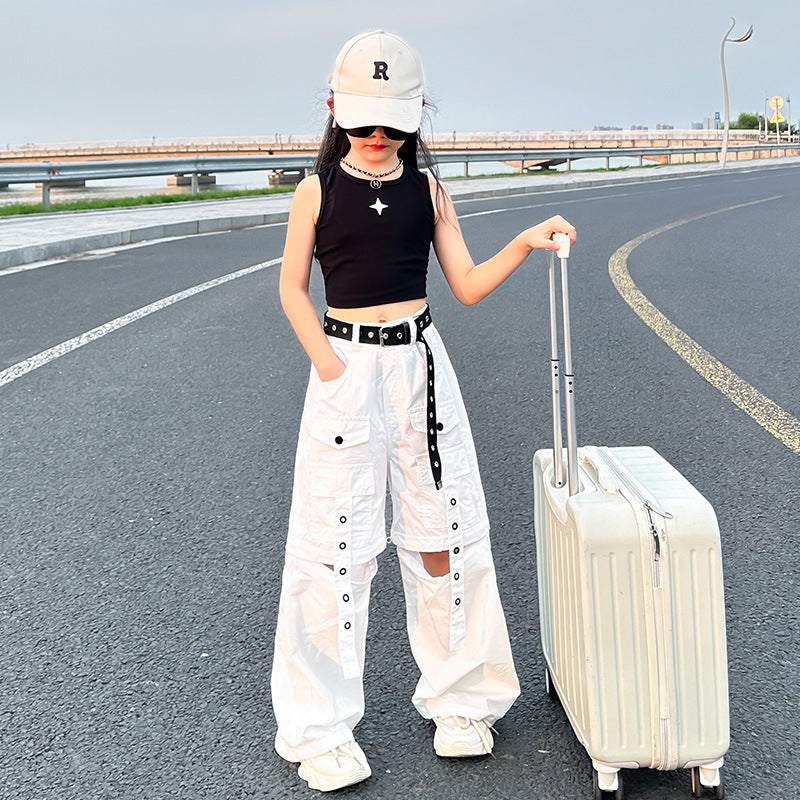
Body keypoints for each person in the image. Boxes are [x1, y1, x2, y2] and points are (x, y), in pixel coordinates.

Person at [271, 29, 576, 792]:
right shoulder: (316, 190)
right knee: (335, 546)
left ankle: (462, 700)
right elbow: (291, 288)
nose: (378, 135)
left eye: (393, 122)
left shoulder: (430, 190)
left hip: (422, 367)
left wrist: (524, 241)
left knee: (445, 535)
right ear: (335, 108)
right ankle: (320, 728)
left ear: (414, 116)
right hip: (345, 370)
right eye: (363, 120)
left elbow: (464, 285)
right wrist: (331, 366)